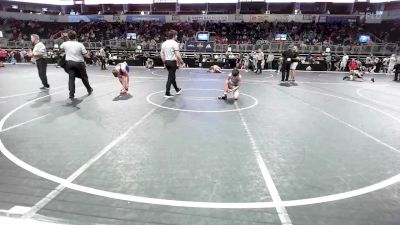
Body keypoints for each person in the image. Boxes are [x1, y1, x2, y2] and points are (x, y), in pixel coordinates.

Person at [60, 31, 93, 99]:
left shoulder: (65, 44)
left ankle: (71, 94)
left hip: (69, 63)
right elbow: (86, 55)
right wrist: (89, 55)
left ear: (68, 37)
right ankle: (89, 89)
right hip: (79, 63)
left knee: (71, 78)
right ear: (76, 36)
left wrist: (64, 38)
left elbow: (61, 47)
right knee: (84, 77)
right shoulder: (80, 44)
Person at [160, 30, 183, 98]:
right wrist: (182, 62)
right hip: (172, 62)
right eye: (176, 35)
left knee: (172, 76)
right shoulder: (175, 43)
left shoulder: (164, 43)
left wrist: (164, 61)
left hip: (167, 61)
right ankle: (167, 93)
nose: (177, 36)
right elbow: (178, 55)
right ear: (174, 36)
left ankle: (177, 89)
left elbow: (161, 53)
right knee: (170, 77)